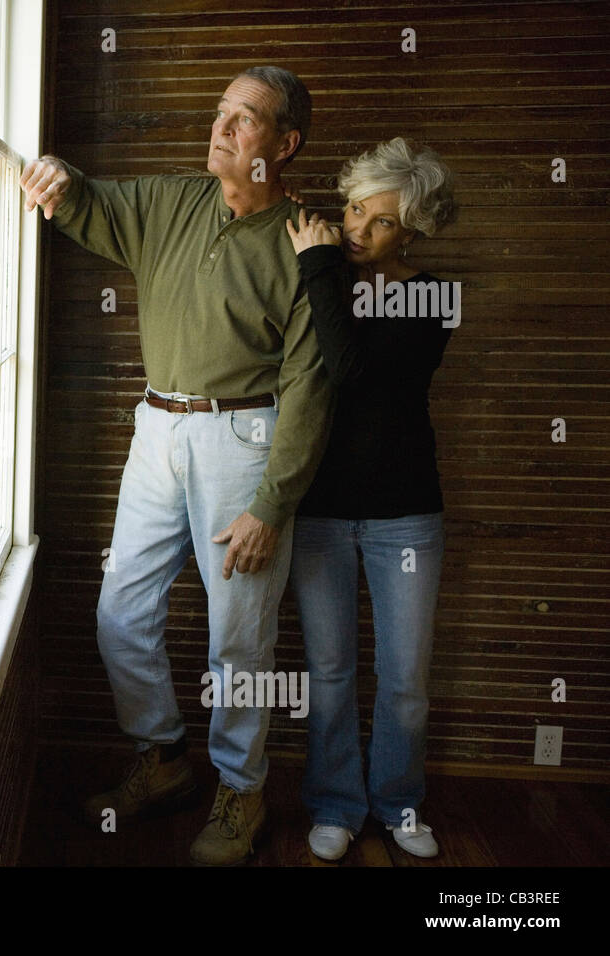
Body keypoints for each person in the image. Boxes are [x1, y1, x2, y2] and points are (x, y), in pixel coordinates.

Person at [20, 66, 334, 865]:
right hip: (156, 427)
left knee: (240, 635)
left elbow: (308, 389)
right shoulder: (170, 201)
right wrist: (56, 177)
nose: (223, 127)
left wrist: (271, 504)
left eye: (246, 118)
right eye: (221, 111)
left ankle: (242, 788)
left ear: (285, 145)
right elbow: (86, 202)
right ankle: (161, 758)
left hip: (248, 438)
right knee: (120, 608)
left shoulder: (307, 244)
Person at [284, 136, 458, 861]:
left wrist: (318, 262)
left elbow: (350, 367)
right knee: (327, 671)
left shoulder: (433, 297)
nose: (357, 228)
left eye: (380, 221)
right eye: (354, 209)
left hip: (405, 515)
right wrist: (319, 272)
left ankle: (399, 804)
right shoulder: (323, 281)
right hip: (319, 508)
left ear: (413, 230)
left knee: (405, 678)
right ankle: (334, 804)